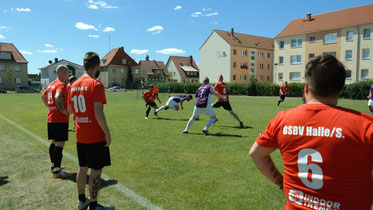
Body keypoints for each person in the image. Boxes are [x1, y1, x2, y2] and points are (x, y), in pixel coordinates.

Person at [249, 55, 373, 210]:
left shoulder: (282, 120)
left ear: (306, 87)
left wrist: (281, 182)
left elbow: (256, 153)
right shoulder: (365, 126)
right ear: (341, 89)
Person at [69, 52, 112, 210]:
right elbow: (98, 111)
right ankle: (93, 206)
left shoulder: (73, 85)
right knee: (96, 170)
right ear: (97, 66)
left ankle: (82, 200)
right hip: (94, 135)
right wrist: (107, 133)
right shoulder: (96, 84)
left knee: (82, 167)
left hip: (80, 134)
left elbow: (69, 109)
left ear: (83, 65)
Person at [41, 65, 71, 178]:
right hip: (59, 119)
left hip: (51, 117)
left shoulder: (51, 84)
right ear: (62, 73)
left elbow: (43, 97)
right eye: (67, 73)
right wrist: (62, 109)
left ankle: (54, 166)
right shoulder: (61, 85)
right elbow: (58, 97)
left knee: (54, 142)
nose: (68, 75)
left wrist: (50, 107)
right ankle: (57, 171)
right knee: (60, 144)